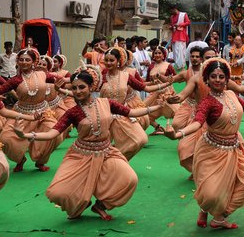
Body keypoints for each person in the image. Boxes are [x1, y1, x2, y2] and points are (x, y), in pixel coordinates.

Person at [14, 68, 165, 220]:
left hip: (106, 152)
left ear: (91, 87)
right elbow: (51, 134)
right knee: (58, 192)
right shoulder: (73, 112)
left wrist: (157, 107)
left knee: (129, 179)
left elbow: (131, 113)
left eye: (81, 87)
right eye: (74, 88)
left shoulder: (106, 103)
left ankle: (100, 205)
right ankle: (80, 204)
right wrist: (26, 135)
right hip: (81, 154)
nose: (78, 91)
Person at [164, 58, 244, 229]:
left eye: (221, 76)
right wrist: (178, 134)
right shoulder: (208, 102)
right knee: (211, 194)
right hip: (212, 150)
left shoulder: (232, 95)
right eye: (213, 76)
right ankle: (205, 207)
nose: (218, 80)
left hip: (234, 149)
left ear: (227, 79)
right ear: (207, 79)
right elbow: (197, 123)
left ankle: (219, 217)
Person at [98, 46, 172, 159]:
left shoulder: (127, 76)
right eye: (106, 60)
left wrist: (165, 84)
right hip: (103, 115)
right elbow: (85, 87)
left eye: (111, 60)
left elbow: (144, 87)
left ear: (118, 61)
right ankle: (105, 165)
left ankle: (117, 160)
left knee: (141, 139)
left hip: (122, 113)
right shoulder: (100, 75)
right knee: (100, 148)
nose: (108, 63)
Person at [0, 48, 66, 172]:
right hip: (21, 113)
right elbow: (1, 89)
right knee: (6, 138)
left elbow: (61, 80)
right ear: (18, 62)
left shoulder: (42, 74)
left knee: (56, 135)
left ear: (34, 62)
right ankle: (20, 160)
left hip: (43, 113)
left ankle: (40, 161)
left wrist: (77, 79)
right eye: (21, 60)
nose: (24, 62)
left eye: (27, 60)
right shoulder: (15, 80)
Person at [0, 95, 39, 191]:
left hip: (40, 112)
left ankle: (39, 160)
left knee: (3, 168)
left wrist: (30, 117)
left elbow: (4, 111)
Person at [144, 46, 179, 133]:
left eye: (159, 53)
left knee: (177, 112)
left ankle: (178, 128)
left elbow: (173, 79)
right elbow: (147, 81)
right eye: (155, 53)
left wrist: (162, 78)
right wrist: (152, 82)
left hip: (167, 92)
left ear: (164, 55)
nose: (157, 55)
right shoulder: (151, 67)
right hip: (154, 93)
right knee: (144, 112)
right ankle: (157, 127)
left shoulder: (168, 66)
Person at [169, 5, 191, 70]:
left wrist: (180, 24)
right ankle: (177, 66)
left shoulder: (183, 14)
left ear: (175, 9)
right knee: (175, 52)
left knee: (181, 52)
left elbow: (188, 22)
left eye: (171, 11)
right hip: (174, 36)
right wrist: (171, 27)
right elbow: (172, 25)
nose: (171, 12)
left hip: (181, 36)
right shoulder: (172, 17)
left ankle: (182, 67)